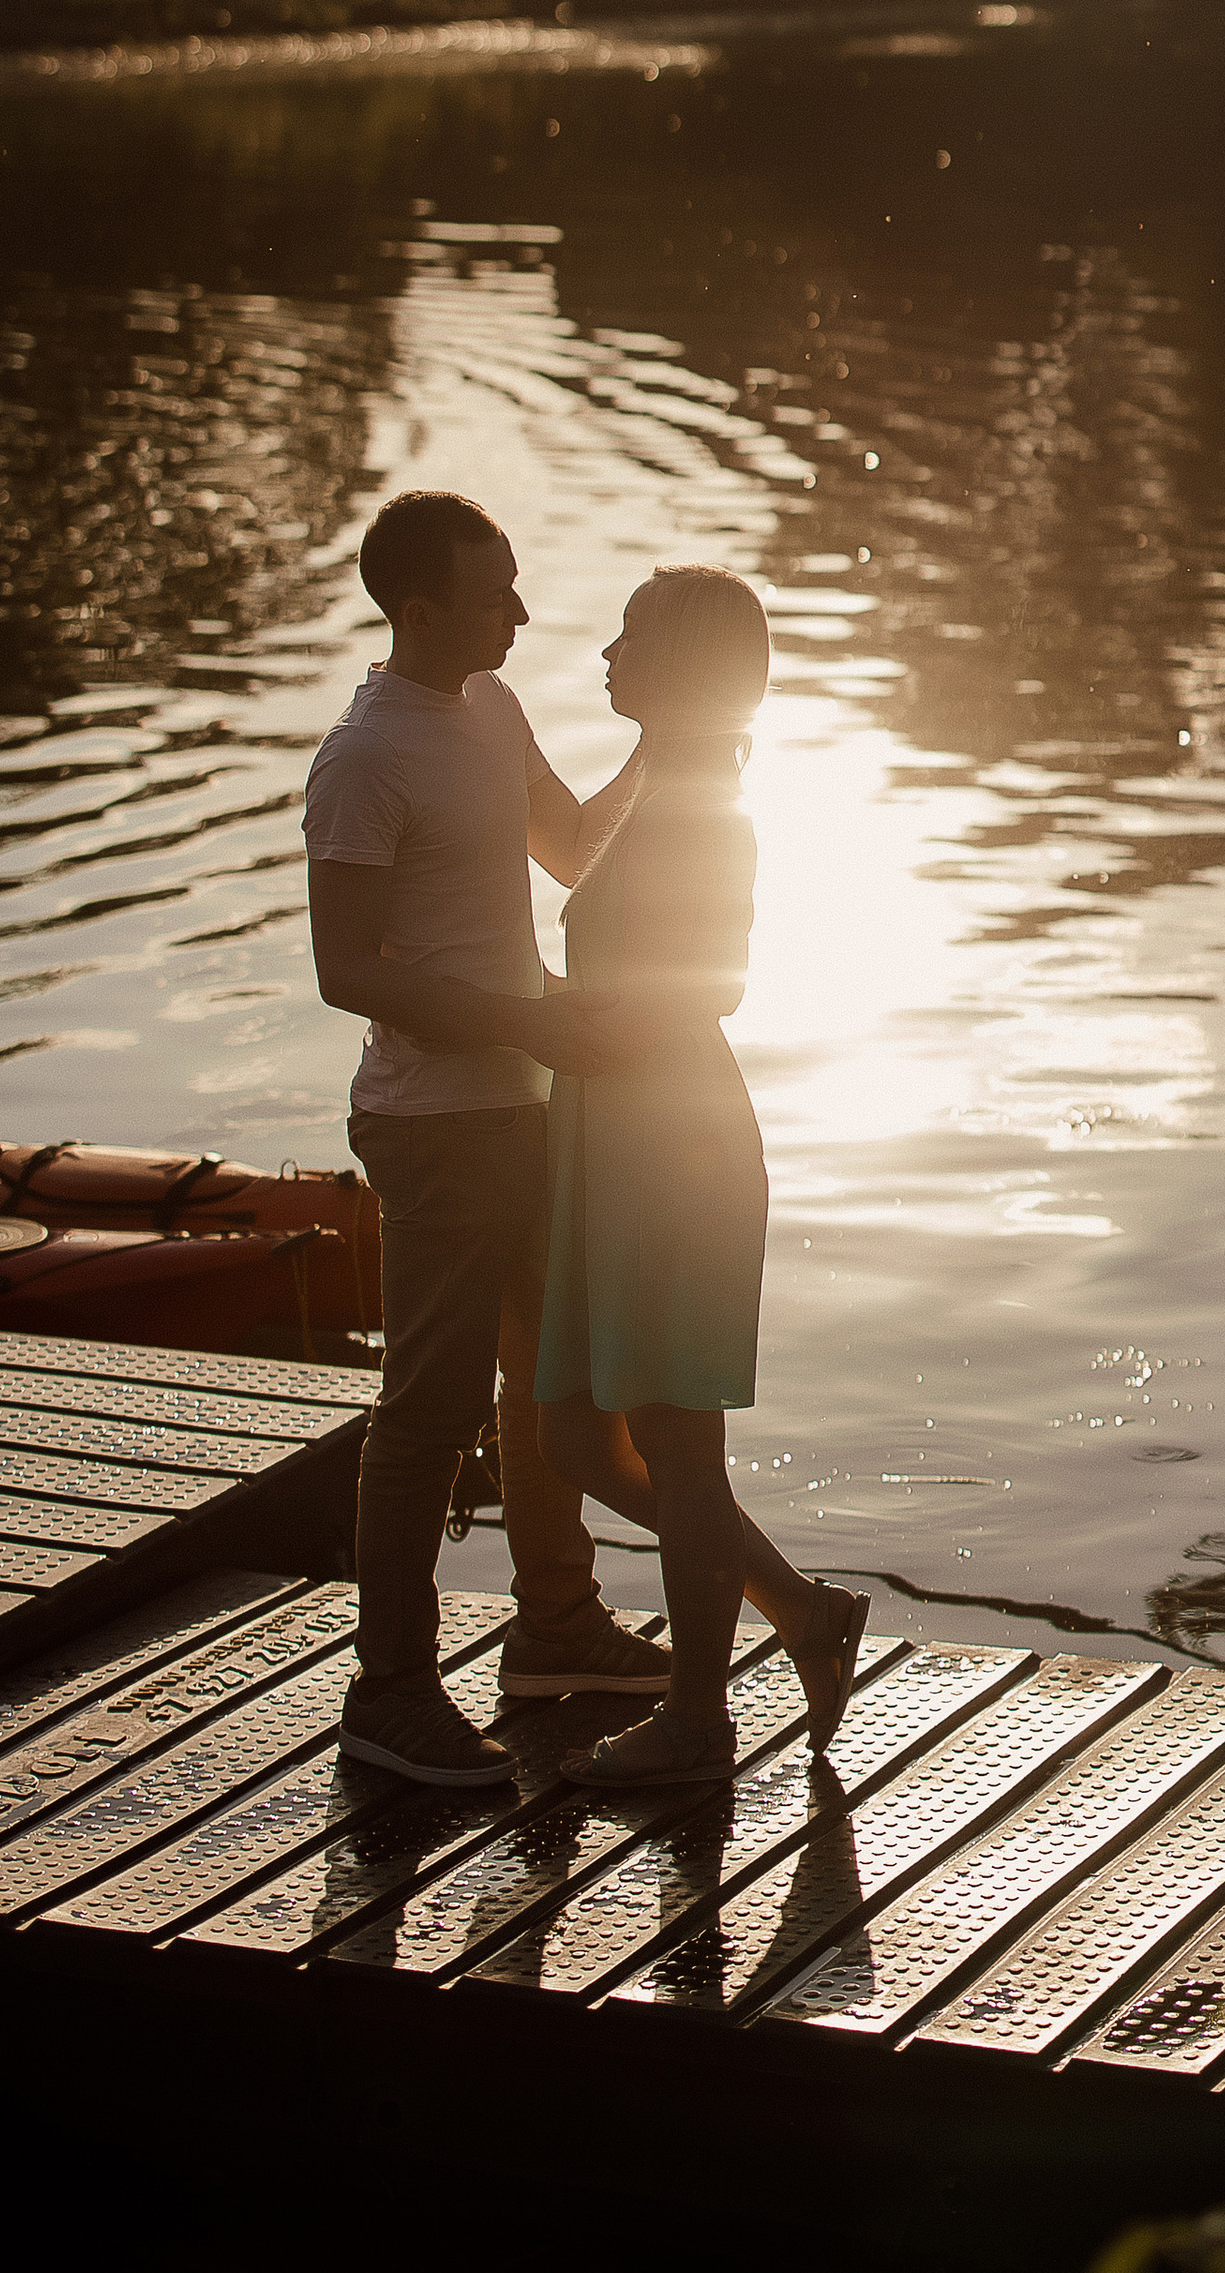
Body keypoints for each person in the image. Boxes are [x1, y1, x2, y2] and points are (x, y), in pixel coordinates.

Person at [303, 488, 672, 1789]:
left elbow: (570, 851)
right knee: (429, 1411)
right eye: (494, 591)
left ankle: (554, 1628)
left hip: (522, 1102)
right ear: (420, 609)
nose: (519, 610)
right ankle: (388, 1692)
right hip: (435, 1127)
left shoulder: (491, 710)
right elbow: (346, 968)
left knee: (549, 1379)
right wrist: (528, 1019)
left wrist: (665, 749)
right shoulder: (365, 758)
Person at [535, 566, 869, 1787]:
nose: (605, 655)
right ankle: (802, 1613)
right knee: (574, 1434)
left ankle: (696, 1722)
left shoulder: (700, 806)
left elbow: (715, 981)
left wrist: (549, 1028)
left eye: (628, 637)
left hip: (669, 1148)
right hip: (610, 1141)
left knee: (678, 1452)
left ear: (679, 666)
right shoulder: (660, 785)